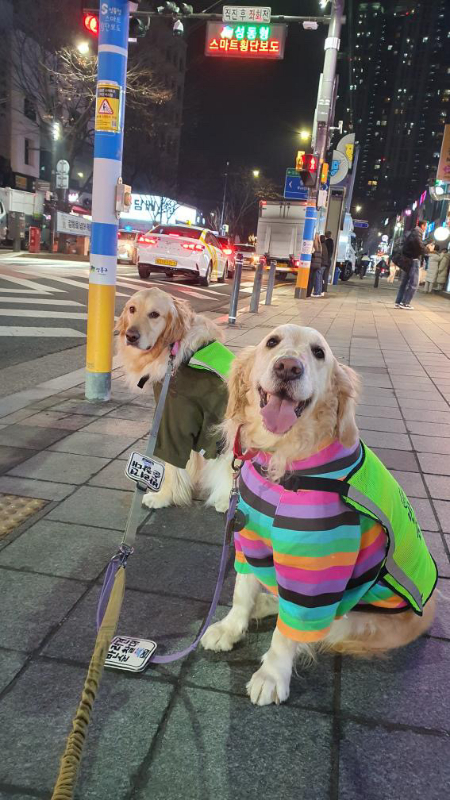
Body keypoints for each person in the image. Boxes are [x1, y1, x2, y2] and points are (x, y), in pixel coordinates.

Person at [395, 219, 428, 309]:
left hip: (408, 259)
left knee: (405, 282)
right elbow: (419, 246)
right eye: (426, 226)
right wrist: (427, 249)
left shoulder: (413, 232)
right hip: (414, 260)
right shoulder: (418, 232)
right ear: (422, 226)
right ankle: (406, 303)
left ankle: (399, 302)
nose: (426, 228)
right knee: (414, 283)